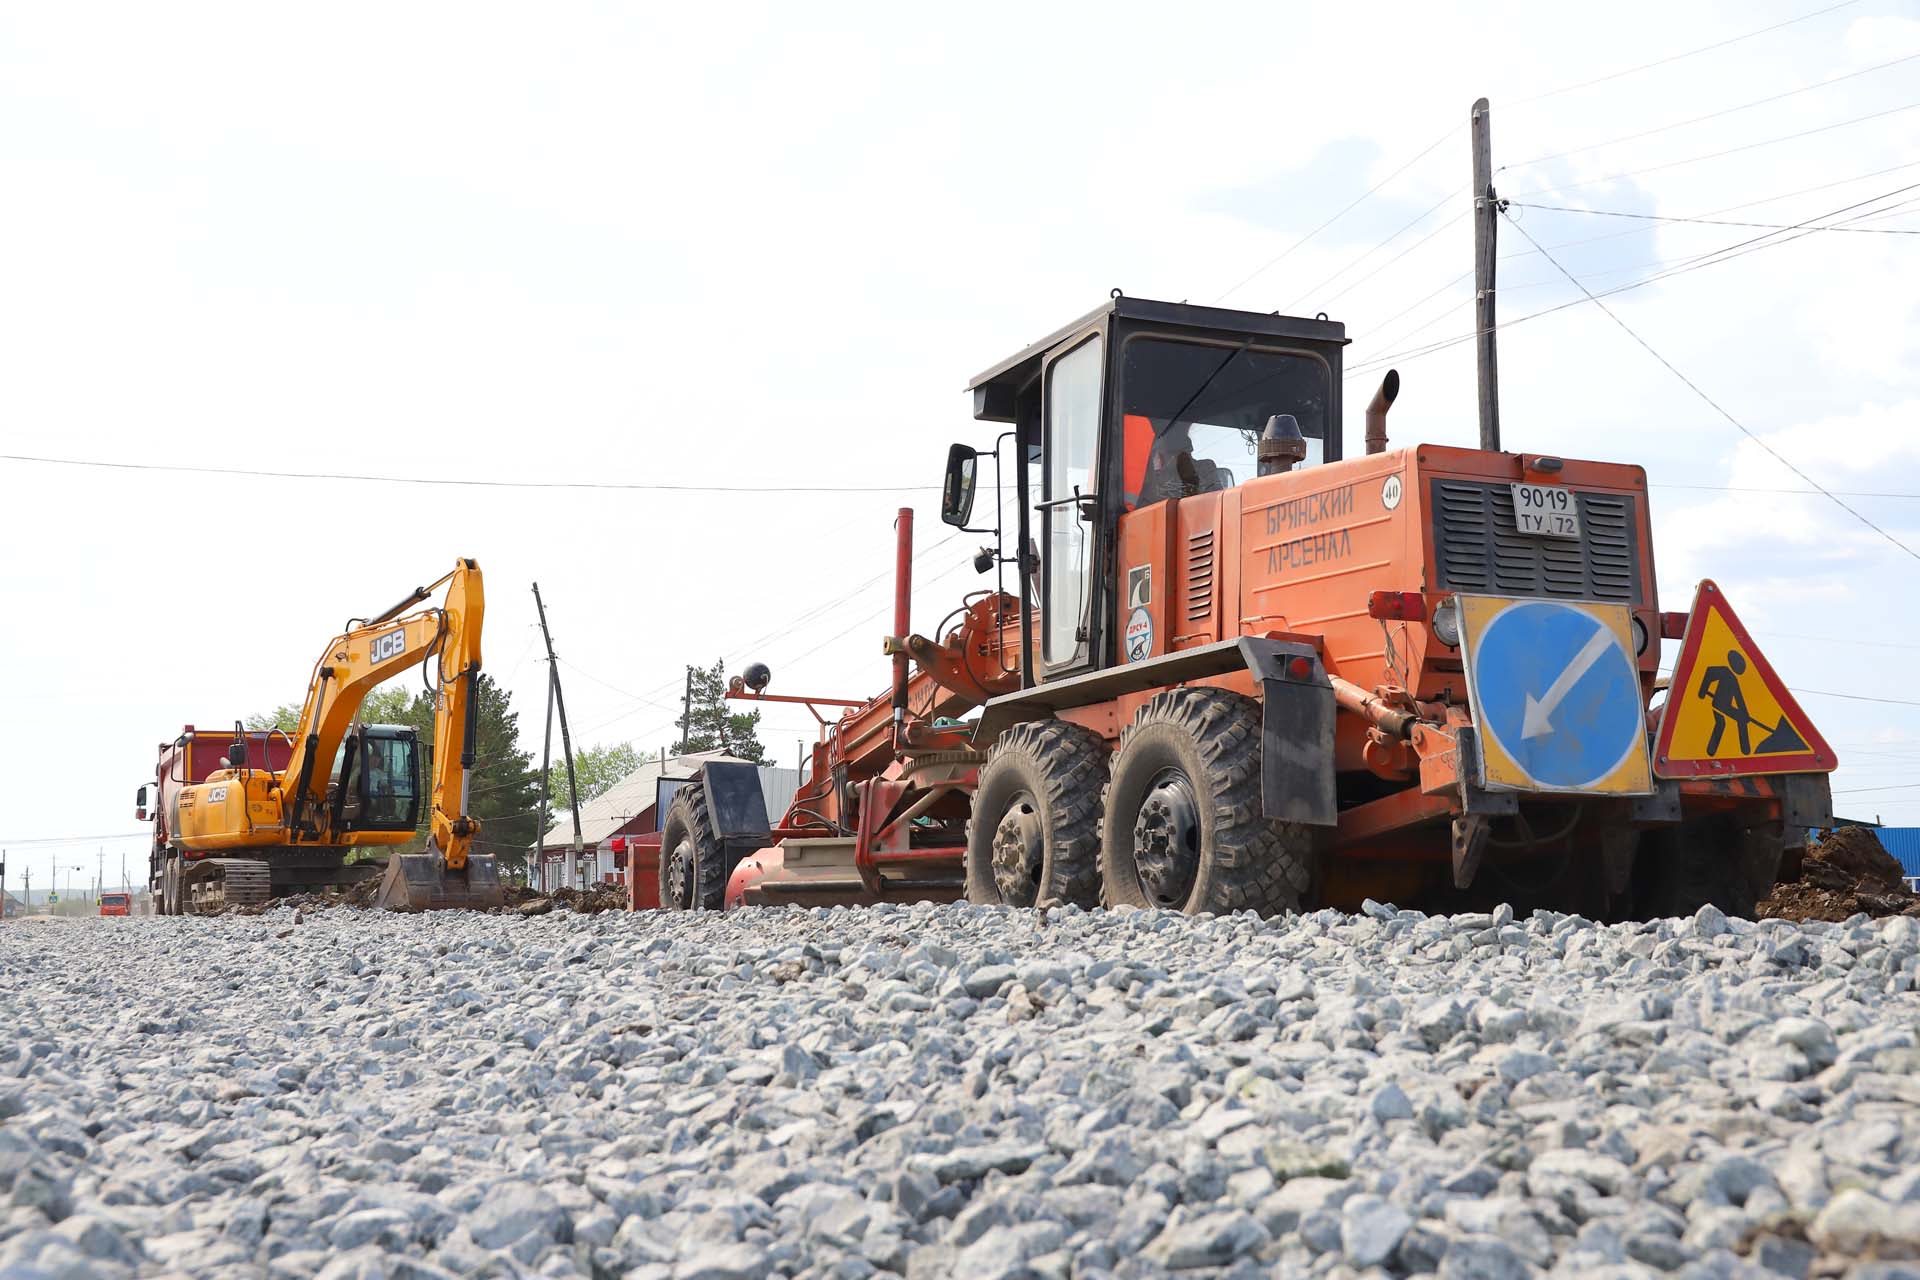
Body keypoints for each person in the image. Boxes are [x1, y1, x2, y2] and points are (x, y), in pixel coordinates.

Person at [1697, 650, 1753, 756]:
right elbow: (1709, 672)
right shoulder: (1725, 671)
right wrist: (1702, 691)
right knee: (1725, 723)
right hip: (1719, 704)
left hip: (1724, 706)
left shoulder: (1734, 679)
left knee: (1730, 722)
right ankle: (1744, 750)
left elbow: (1739, 698)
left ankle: (1744, 750)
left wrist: (1745, 714)